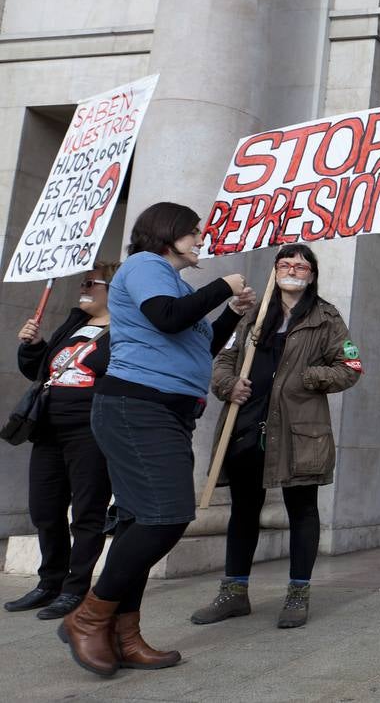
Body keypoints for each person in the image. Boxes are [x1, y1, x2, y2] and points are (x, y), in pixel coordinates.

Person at [58, 202, 254, 678]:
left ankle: (124, 634)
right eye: (194, 232)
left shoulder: (174, 283)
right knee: (168, 516)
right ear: (169, 234)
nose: (200, 238)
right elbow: (168, 318)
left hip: (166, 411)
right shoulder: (146, 266)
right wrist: (221, 286)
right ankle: (88, 616)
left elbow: (196, 343)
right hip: (136, 406)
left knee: (138, 522)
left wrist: (229, 313)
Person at [193, 243, 363, 630]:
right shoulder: (253, 315)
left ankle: (298, 594)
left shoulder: (326, 318)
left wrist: (309, 377)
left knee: (302, 510)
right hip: (248, 424)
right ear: (274, 271)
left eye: (301, 266)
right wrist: (227, 385)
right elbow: (223, 358)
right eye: (285, 264)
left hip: (299, 431)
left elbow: (350, 368)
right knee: (243, 510)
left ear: (312, 275)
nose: (293, 270)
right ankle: (234, 593)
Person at [4, 263, 117, 621]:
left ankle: (75, 588)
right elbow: (41, 373)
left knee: (87, 514)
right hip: (50, 432)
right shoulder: (73, 325)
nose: (83, 288)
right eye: (82, 282)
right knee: (44, 510)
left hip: (91, 433)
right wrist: (33, 347)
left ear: (112, 289)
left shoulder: (125, 331)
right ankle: (49, 582)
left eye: (91, 283)